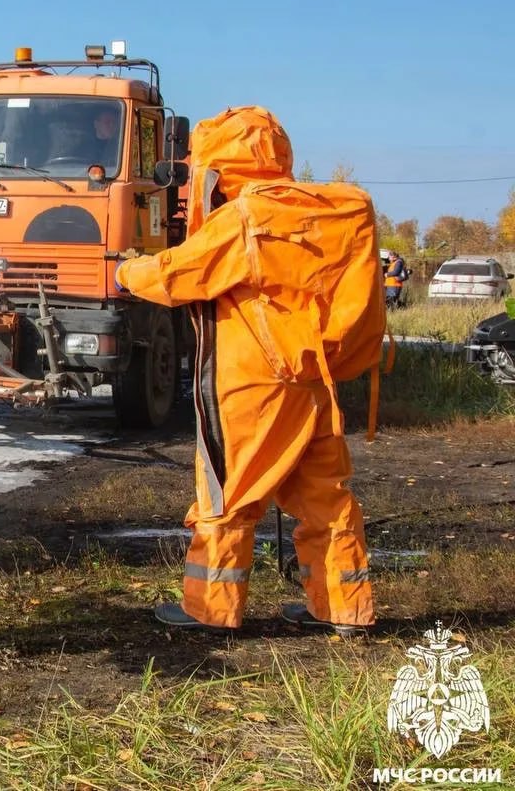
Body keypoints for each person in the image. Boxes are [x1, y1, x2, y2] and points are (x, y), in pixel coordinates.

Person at [115, 106, 377, 636]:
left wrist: (123, 271)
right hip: (315, 376)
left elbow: (180, 274)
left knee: (228, 493)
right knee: (325, 494)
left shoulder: (244, 218)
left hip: (252, 382)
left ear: (218, 166)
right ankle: (345, 608)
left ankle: (211, 609)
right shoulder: (327, 212)